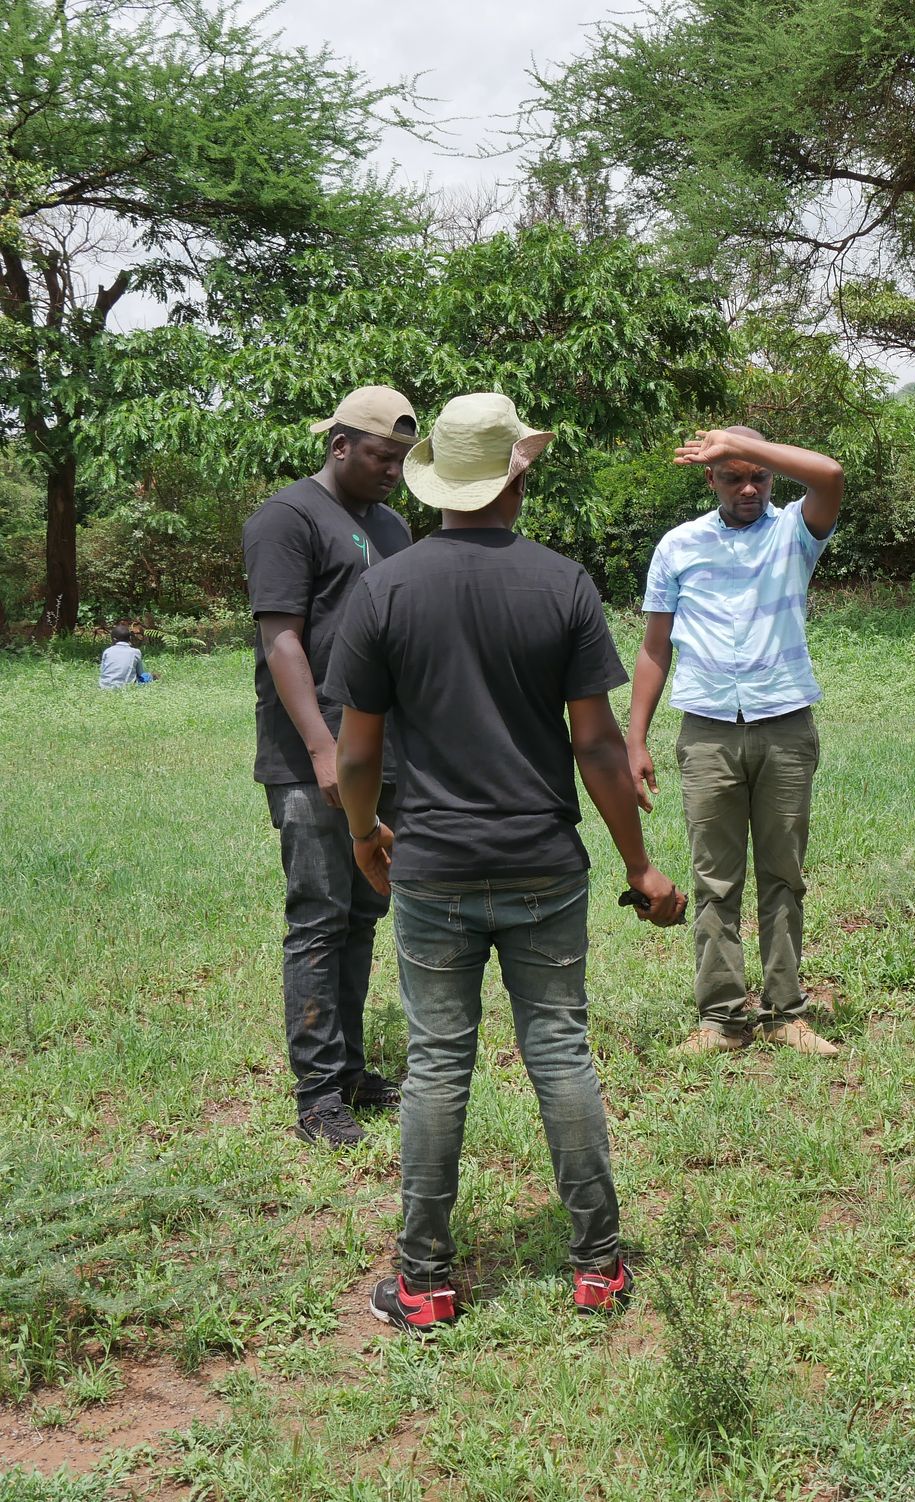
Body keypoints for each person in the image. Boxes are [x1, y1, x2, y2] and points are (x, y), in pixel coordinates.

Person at [326, 392, 688, 1334]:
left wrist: (367, 834)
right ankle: (598, 1269)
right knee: (559, 1051)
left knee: (439, 1066)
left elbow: (356, 755)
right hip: (543, 864)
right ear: (516, 475)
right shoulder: (562, 585)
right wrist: (641, 867)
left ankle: (425, 1285)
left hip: (435, 870)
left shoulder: (386, 589)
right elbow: (600, 748)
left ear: (435, 479)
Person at [627, 426, 845, 1057]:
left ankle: (785, 1013)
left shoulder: (792, 534)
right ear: (710, 481)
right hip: (707, 732)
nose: (749, 488)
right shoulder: (679, 546)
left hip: (784, 724)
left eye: (759, 477)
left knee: (784, 872)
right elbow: (654, 648)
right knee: (713, 878)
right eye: (732, 477)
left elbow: (828, 472)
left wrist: (740, 446)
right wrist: (635, 739)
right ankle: (720, 1018)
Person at [241, 385, 418, 1147]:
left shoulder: (393, 525)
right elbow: (281, 639)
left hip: (381, 751)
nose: (392, 471)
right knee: (318, 918)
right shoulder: (286, 518)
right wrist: (321, 748)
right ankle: (316, 1096)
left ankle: (348, 1070)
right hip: (313, 753)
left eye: (402, 460)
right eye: (382, 456)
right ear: (340, 445)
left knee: (364, 913)